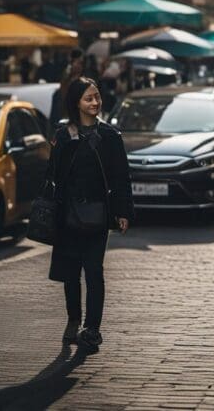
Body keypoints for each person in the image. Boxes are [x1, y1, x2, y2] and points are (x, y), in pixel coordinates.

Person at [44, 77, 133, 349]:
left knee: (94, 272)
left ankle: (92, 329)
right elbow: (52, 176)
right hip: (67, 215)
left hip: (97, 215)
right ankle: (74, 320)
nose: (95, 103)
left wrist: (122, 212)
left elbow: (121, 177)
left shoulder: (109, 136)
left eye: (97, 97)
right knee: (71, 273)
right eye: (88, 98)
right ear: (76, 103)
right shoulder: (63, 135)